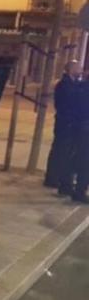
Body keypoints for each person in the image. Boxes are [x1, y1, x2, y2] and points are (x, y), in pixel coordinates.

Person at [43, 61, 82, 193]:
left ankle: (54, 177)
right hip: (65, 123)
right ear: (71, 69)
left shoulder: (70, 84)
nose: (80, 70)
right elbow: (69, 103)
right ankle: (53, 178)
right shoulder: (65, 85)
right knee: (60, 150)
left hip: (65, 122)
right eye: (78, 68)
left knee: (61, 150)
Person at [70, 70, 89, 203]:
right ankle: (79, 191)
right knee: (84, 162)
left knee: (81, 159)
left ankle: (76, 188)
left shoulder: (80, 87)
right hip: (85, 129)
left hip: (81, 128)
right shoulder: (84, 90)